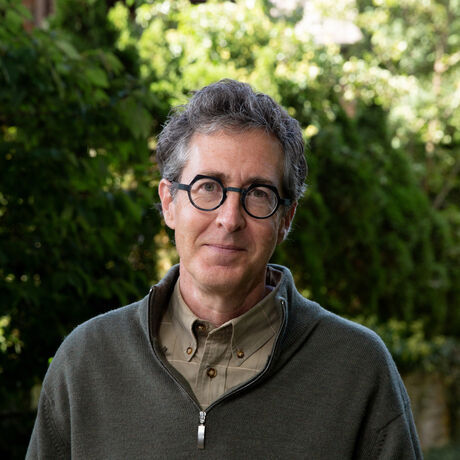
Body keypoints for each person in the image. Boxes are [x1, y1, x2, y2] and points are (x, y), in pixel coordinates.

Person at [27, 79, 422, 458]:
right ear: (169, 203)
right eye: (208, 186)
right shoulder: (86, 361)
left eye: (258, 194)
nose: (230, 219)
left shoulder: (357, 369)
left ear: (285, 219)